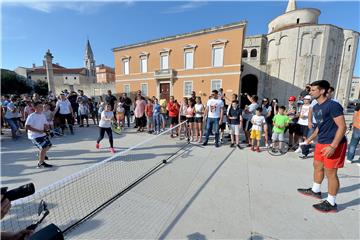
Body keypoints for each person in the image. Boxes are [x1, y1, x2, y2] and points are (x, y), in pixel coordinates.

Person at [297, 80, 347, 213]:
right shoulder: (317, 107)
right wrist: (309, 139)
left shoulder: (333, 105)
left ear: (322, 91)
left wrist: (333, 146)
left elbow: (342, 126)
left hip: (334, 143)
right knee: (317, 166)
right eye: (311, 90)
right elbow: (320, 127)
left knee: (331, 173)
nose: (310, 92)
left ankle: (331, 203)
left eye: (313, 90)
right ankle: (316, 190)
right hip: (321, 142)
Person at [25, 101, 53, 168]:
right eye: (40, 106)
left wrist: (47, 129)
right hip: (34, 135)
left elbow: (45, 124)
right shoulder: (31, 116)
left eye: (42, 106)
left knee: (49, 145)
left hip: (42, 134)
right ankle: (41, 163)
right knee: (44, 147)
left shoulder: (42, 115)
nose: (42, 107)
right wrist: (38, 131)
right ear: (35, 108)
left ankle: (40, 154)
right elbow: (27, 126)